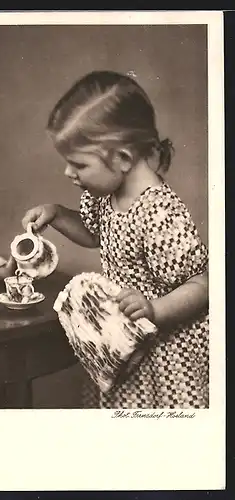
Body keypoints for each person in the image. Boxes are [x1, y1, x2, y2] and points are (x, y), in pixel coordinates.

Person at [22, 71, 209, 409]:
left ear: (122, 159)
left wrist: (155, 309)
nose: (68, 172)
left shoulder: (159, 212)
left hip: (162, 356)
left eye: (78, 163)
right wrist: (58, 214)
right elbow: (95, 234)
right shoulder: (105, 195)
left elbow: (200, 284)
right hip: (123, 343)